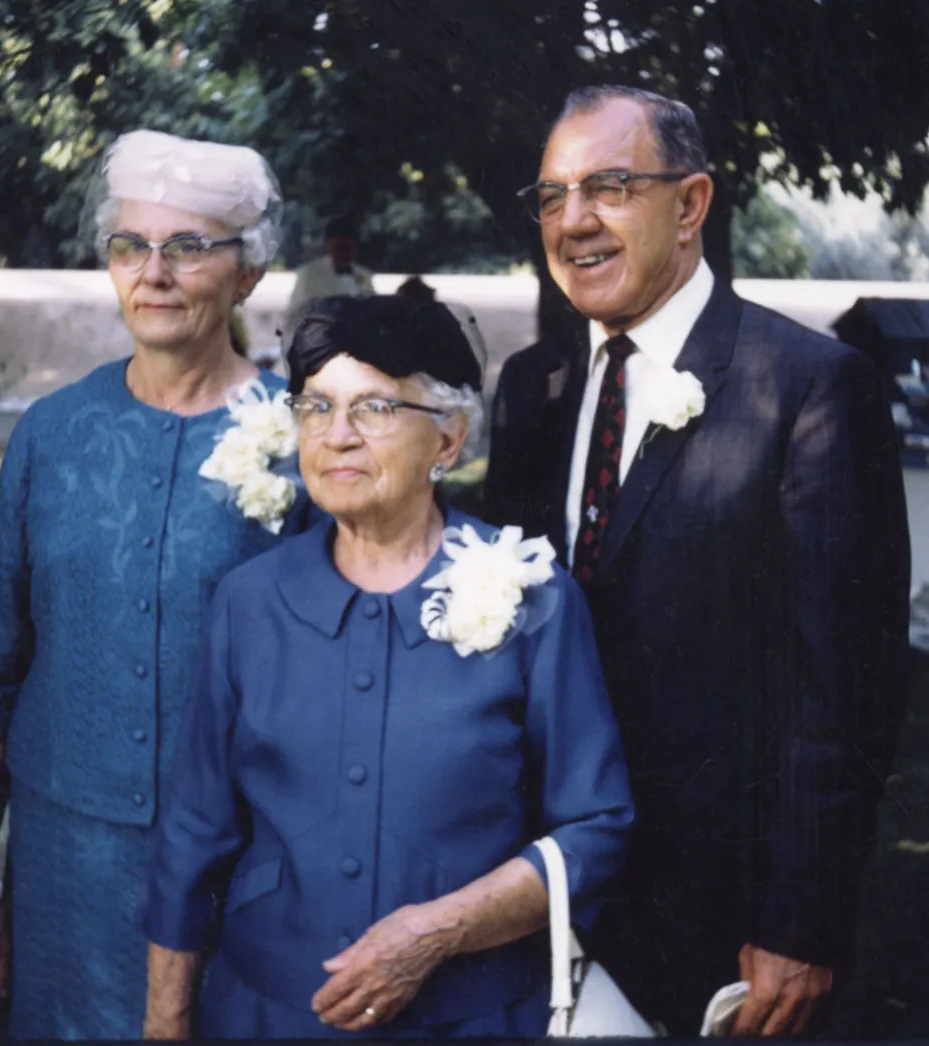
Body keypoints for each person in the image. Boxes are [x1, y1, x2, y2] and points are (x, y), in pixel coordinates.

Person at [485, 85, 911, 1037]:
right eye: (552, 197)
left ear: (691, 205)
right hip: (539, 895)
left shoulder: (807, 388)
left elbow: (848, 690)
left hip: (724, 929)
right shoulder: (535, 387)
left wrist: (802, 923)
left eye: (609, 186)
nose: (574, 221)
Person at [140, 294, 634, 1039]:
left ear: (448, 441)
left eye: (373, 408)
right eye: (316, 408)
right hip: (269, 1017)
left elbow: (595, 826)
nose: (336, 436)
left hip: (474, 1020)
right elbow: (194, 829)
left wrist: (440, 931)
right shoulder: (249, 602)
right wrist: (166, 1017)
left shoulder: (533, 598)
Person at [0, 128, 310, 1040]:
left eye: (187, 247)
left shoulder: (310, 442)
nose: (153, 273)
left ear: (248, 274)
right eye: (129, 246)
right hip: (64, 871)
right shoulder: (50, 433)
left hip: (247, 870)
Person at [283, 217, 375, 343]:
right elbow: (296, 317)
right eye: (340, 247)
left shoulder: (363, 275)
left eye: (349, 247)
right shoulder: (310, 274)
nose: (344, 252)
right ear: (329, 245)